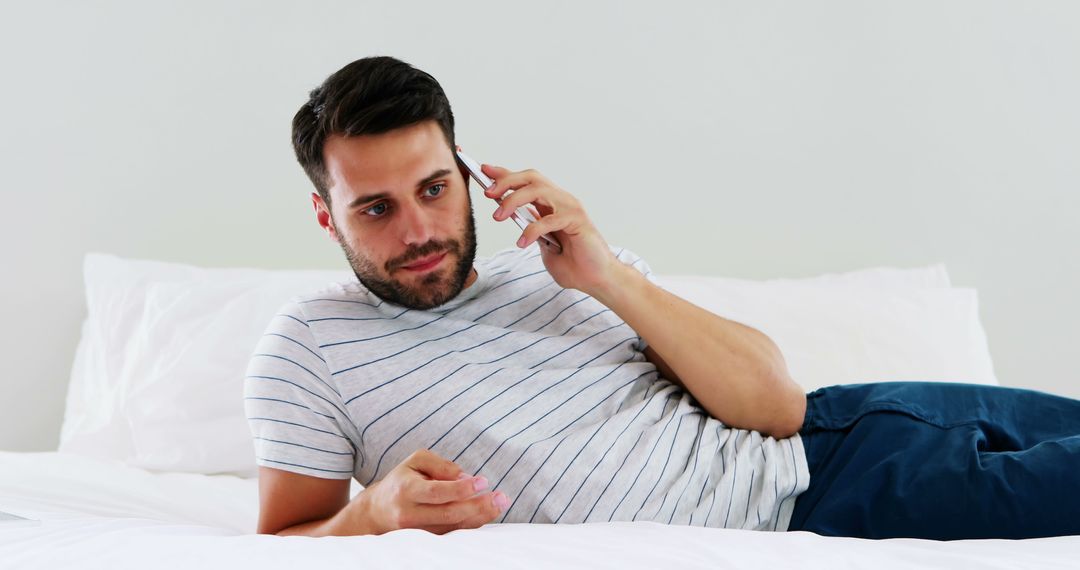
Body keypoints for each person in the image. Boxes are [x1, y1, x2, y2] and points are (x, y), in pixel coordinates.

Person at [244, 55, 1080, 540]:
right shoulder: (310, 345)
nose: (419, 230)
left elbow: (781, 405)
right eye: (377, 210)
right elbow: (281, 542)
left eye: (434, 189)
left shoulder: (564, 263)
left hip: (850, 426)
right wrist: (373, 516)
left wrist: (608, 277)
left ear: (467, 174)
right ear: (327, 215)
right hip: (821, 506)